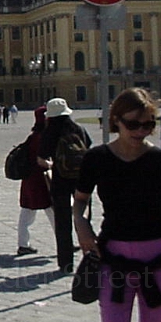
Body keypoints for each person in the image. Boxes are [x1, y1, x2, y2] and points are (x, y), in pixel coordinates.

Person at [74, 88, 161, 322]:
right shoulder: (96, 158)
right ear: (116, 120)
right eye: (133, 124)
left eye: (148, 125)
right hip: (113, 257)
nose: (140, 131)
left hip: (160, 256)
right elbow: (80, 200)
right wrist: (81, 223)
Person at [37, 96, 91, 273]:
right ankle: (90, 258)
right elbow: (88, 149)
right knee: (83, 220)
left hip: (60, 180)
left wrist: (53, 165)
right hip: (82, 180)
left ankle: (66, 263)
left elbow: (41, 159)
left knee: (63, 222)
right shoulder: (79, 129)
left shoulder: (50, 132)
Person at [16, 106, 54, 255]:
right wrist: (53, 165)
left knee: (28, 212)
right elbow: (41, 160)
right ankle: (64, 241)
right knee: (51, 210)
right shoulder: (41, 137)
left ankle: (23, 243)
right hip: (40, 180)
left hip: (30, 179)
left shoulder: (34, 136)